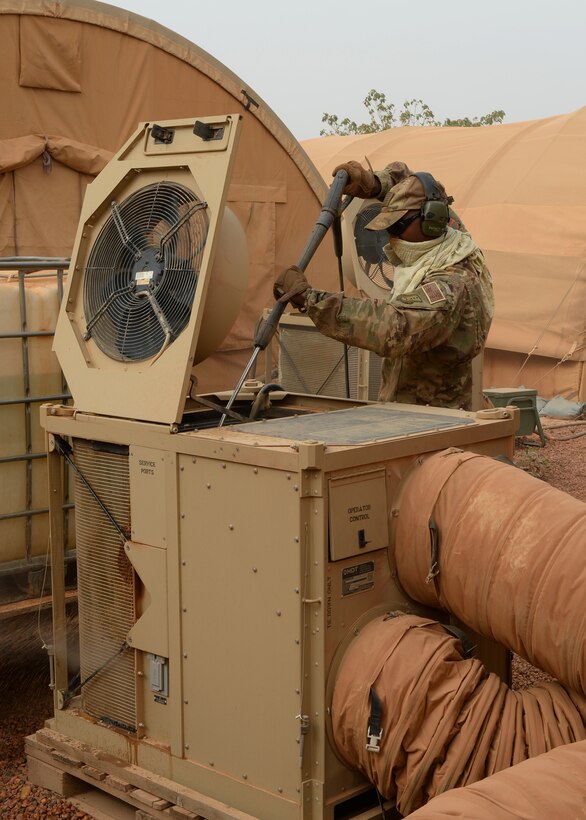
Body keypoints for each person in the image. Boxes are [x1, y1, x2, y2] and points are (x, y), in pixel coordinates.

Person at [273, 160, 494, 410]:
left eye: (397, 226)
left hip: (433, 423)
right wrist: (373, 183)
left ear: (431, 221)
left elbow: (393, 326)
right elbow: (410, 183)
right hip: (404, 413)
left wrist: (311, 300)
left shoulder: (452, 283)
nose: (391, 236)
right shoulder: (445, 239)